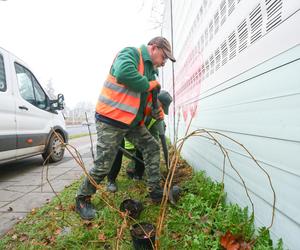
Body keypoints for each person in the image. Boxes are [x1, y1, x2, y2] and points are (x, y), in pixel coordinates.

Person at [75, 37, 176, 220]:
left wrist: (155, 112)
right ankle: (82, 198)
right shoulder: (130, 54)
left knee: (151, 146)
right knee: (104, 165)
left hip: (131, 123)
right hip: (110, 119)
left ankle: (155, 190)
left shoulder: (151, 72)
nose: (163, 63)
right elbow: (124, 74)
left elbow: (140, 102)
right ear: (154, 48)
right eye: (163, 57)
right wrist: (149, 85)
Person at [106, 90, 173, 193]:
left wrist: (155, 164)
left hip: (136, 144)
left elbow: (154, 140)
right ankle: (111, 180)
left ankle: (138, 175)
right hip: (124, 137)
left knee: (147, 145)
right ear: (157, 101)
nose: (161, 110)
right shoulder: (140, 104)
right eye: (162, 107)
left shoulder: (156, 118)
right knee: (117, 147)